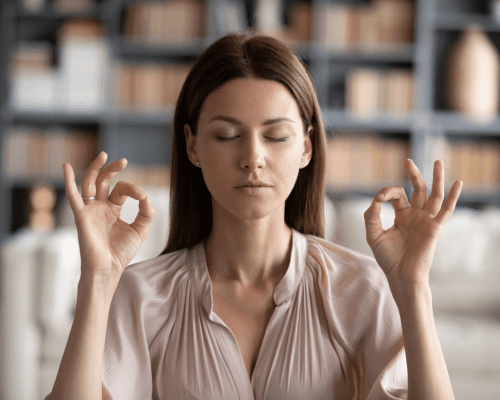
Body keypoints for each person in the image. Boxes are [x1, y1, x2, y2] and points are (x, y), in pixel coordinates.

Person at [47, 32, 461, 400]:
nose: (252, 159)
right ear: (192, 146)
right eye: (227, 135)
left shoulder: (359, 289)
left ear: (306, 147)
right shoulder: (141, 296)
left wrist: (412, 288)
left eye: (276, 136)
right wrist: (98, 281)